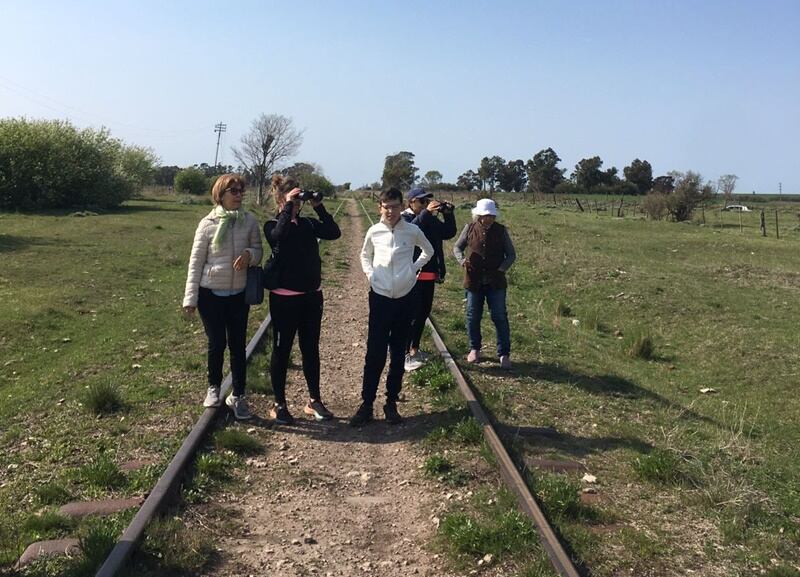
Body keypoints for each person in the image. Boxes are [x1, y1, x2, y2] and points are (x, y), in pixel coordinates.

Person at [350, 187, 434, 426]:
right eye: (386, 207)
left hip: (405, 297)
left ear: (401, 206)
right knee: (374, 353)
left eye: (395, 206)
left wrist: (413, 269)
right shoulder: (374, 231)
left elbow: (429, 251)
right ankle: (367, 404)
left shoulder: (412, 230)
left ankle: (391, 403)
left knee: (398, 353)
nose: (391, 211)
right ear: (380, 207)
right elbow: (364, 255)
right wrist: (370, 274)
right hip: (380, 296)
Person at [183, 173, 263, 420]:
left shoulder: (249, 221)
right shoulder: (207, 224)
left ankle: (238, 395)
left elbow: (259, 251)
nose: (239, 195)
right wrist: (190, 298)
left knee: (238, 345)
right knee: (217, 343)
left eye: (241, 191)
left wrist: (250, 254)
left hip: (239, 294)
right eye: (234, 191)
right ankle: (214, 387)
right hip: (211, 294)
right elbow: (195, 263)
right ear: (221, 195)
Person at [264, 174, 341, 425]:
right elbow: (279, 235)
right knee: (281, 350)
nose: (297, 205)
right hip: (284, 299)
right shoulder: (272, 224)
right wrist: (287, 206)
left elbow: (333, 232)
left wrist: (319, 206)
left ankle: (314, 400)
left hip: (311, 297)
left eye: (299, 201)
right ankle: (279, 404)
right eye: (293, 201)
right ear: (281, 199)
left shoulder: (308, 224)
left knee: (311, 349)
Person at [453, 198, 516, 370]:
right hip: (474, 281)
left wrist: (502, 269)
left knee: (499, 316)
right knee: (473, 316)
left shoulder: (501, 231)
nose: (488, 219)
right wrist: (462, 260)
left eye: (491, 216)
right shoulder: (470, 228)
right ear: (478, 215)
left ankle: (504, 353)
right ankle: (475, 349)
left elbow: (511, 254)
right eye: (485, 215)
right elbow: (457, 248)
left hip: (496, 282)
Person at [401, 187, 457, 371]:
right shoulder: (405, 218)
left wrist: (448, 215)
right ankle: (403, 354)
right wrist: (427, 213)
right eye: (422, 202)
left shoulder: (429, 218)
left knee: (423, 313)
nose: (426, 204)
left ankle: (414, 350)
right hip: (412, 273)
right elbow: (411, 230)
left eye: (427, 201)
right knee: (410, 315)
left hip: (429, 272)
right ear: (411, 202)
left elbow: (448, 233)